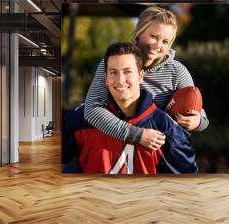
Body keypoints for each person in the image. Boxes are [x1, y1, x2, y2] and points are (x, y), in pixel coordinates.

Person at [84, 6, 209, 151]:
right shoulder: (113, 62)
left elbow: (201, 115)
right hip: (113, 150)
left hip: (157, 157)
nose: (158, 45)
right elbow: (92, 110)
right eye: (154, 37)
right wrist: (137, 135)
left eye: (165, 42)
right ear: (139, 32)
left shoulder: (177, 71)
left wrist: (198, 121)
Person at [64, 42, 197, 174]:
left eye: (127, 72)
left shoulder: (166, 128)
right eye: (113, 72)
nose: (120, 80)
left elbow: (187, 186)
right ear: (105, 78)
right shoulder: (80, 120)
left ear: (141, 76)